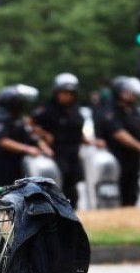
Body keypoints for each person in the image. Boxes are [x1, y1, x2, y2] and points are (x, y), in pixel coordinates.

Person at [94, 76, 140, 207]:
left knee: (132, 193)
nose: (133, 96)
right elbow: (119, 134)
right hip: (115, 160)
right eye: (129, 92)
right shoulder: (108, 112)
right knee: (116, 194)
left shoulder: (135, 112)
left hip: (133, 160)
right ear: (119, 92)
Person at [31, 73, 101, 208]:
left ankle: (72, 212)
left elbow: (76, 133)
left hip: (73, 153)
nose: (67, 96)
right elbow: (30, 125)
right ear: (56, 92)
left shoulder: (76, 111)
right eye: (64, 93)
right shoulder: (46, 110)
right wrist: (44, 135)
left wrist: (91, 141)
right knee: (56, 186)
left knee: (73, 187)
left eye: (70, 93)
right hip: (55, 153)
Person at [0, 83, 52, 187]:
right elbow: (2, 141)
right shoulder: (0, 119)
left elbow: (29, 137)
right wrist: (27, 149)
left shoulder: (18, 119)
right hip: (2, 166)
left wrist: (43, 146)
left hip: (18, 164)